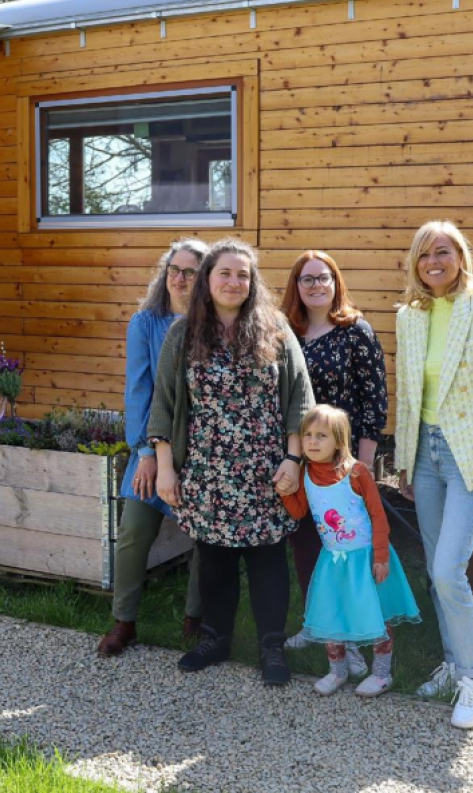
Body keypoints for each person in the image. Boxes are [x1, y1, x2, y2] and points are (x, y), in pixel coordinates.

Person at [147, 238, 314, 686]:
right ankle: (215, 639)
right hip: (206, 470)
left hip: (266, 472)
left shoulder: (275, 329)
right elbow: (162, 402)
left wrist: (294, 459)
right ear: (208, 279)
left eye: (243, 274)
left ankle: (271, 646)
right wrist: (166, 466)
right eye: (224, 273)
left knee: (267, 560)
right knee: (215, 559)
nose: (234, 281)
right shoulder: (182, 335)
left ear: (252, 282)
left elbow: (300, 397)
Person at [395, 220, 473, 729]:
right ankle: (450, 664)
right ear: (415, 264)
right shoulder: (409, 315)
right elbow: (409, 393)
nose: (434, 262)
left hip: (469, 455)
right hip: (425, 455)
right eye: (425, 255)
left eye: (442, 252)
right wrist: (404, 458)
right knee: (435, 568)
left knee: (450, 570)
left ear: (459, 256)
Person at [98, 239, 207, 656]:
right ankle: (124, 622)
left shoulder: (214, 326)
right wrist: (144, 452)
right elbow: (138, 392)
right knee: (133, 532)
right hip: (150, 448)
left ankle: (194, 621)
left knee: (205, 538)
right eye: (173, 270)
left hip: (201, 451)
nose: (179, 279)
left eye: (190, 272)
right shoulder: (145, 323)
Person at [279, 250, 388, 659]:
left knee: (347, 549)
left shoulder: (355, 331)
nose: (315, 286)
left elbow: (373, 401)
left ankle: (356, 633)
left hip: (343, 463)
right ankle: (317, 626)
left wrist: (361, 465)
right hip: (299, 455)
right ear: (296, 287)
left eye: (323, 278)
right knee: (307, 543)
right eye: (306, 279)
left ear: (335, 282)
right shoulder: (285, 334)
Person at [280, 405, 419, 697]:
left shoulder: (356, 473)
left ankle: (381, 674)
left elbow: (379, 517)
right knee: (333, 616)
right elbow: (298, 512)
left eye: (321, 436)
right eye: (307, 435)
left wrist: (381, 557)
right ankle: (337, 671)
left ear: (340, 441)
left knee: (378, 617)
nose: (312, 442)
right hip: (332, 561)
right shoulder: (305, 473)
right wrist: (284, 494)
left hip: (366, 560)